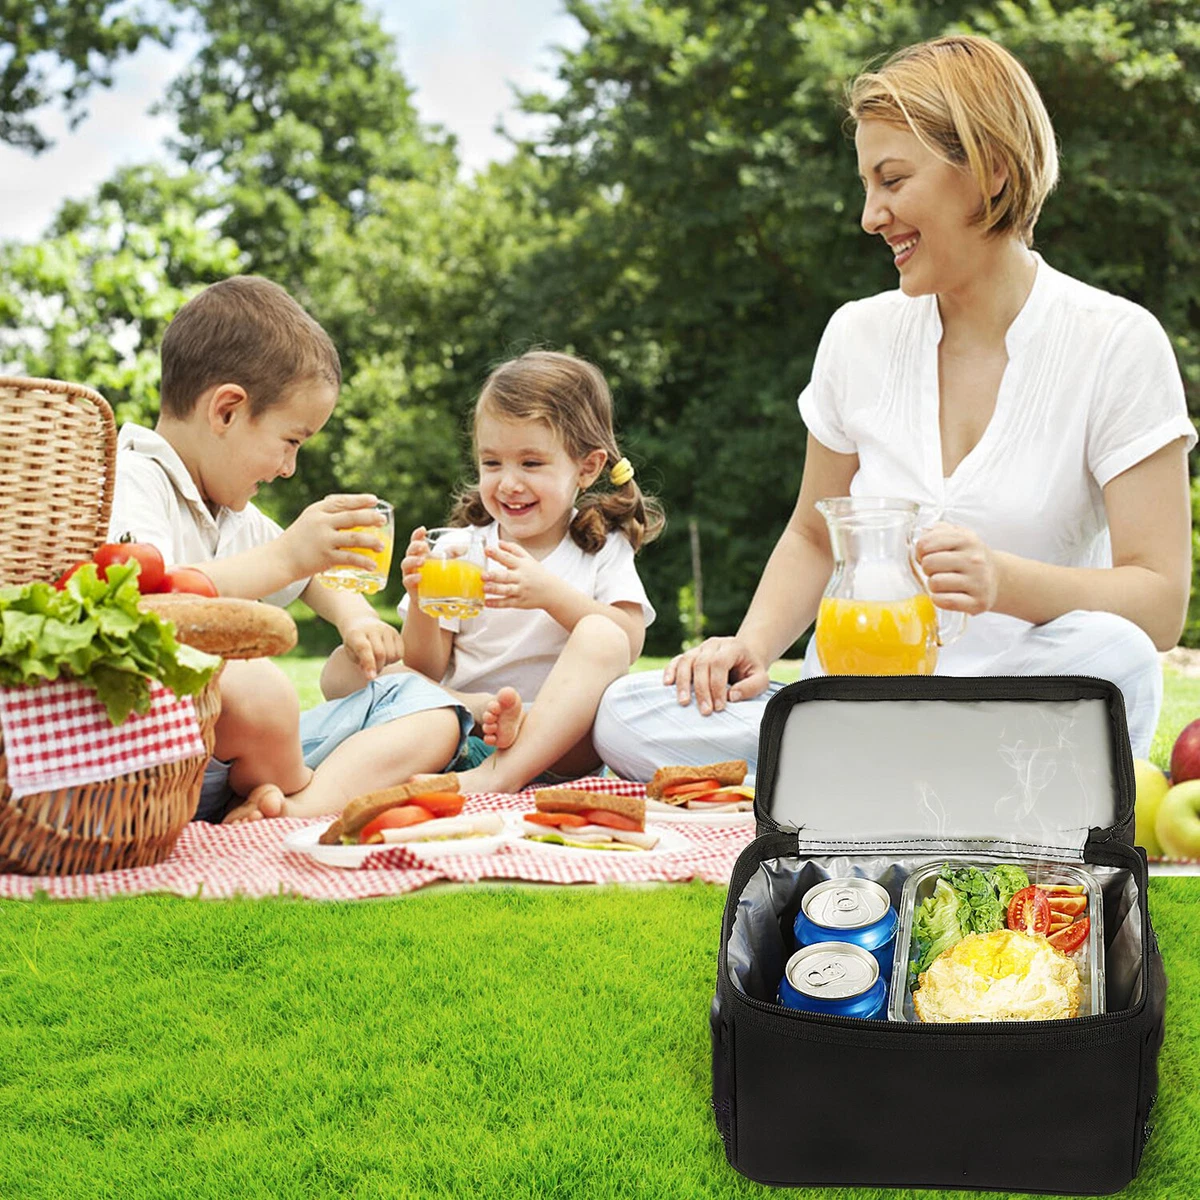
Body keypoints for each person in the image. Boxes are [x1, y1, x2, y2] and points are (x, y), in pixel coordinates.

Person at [593, 33, 1194, 776]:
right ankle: (924, 786)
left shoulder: (1114, 342)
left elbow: (1160, 603)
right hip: (856, 693)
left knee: (1121, 659)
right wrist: (748, 647)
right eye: (868, 186)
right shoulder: (858, 335)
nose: (871, 215)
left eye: (892, 180)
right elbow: (815, 537)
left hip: (1020, 693)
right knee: (625, 715)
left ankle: (847, 780)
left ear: (990, 171)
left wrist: (1004, 583)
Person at [109, 275, 471, 822]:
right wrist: (286, 556)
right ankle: (292, 794)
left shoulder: (230, 511)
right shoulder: (129, 480)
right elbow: (146, 600)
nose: (288, 468)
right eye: (291, 441)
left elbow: (309, 577)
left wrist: (356, 620)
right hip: (156, 759)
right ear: (227, 411)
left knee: (433, 710)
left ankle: (287, 805)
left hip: (238, 759)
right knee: (258, 685)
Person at [321, 349, 663, 794]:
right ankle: (467, 718)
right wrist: (424, 601)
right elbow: (425, 665)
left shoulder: (600, 545)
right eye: (492, 463)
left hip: (562, 750)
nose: (509, 482)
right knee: (343, 668)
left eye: (532, 463)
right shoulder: (462, 547)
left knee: (601, 635)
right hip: (464, 735)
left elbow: (627, 642)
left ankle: (502, 775)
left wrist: (548, 594)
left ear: (587, 467)